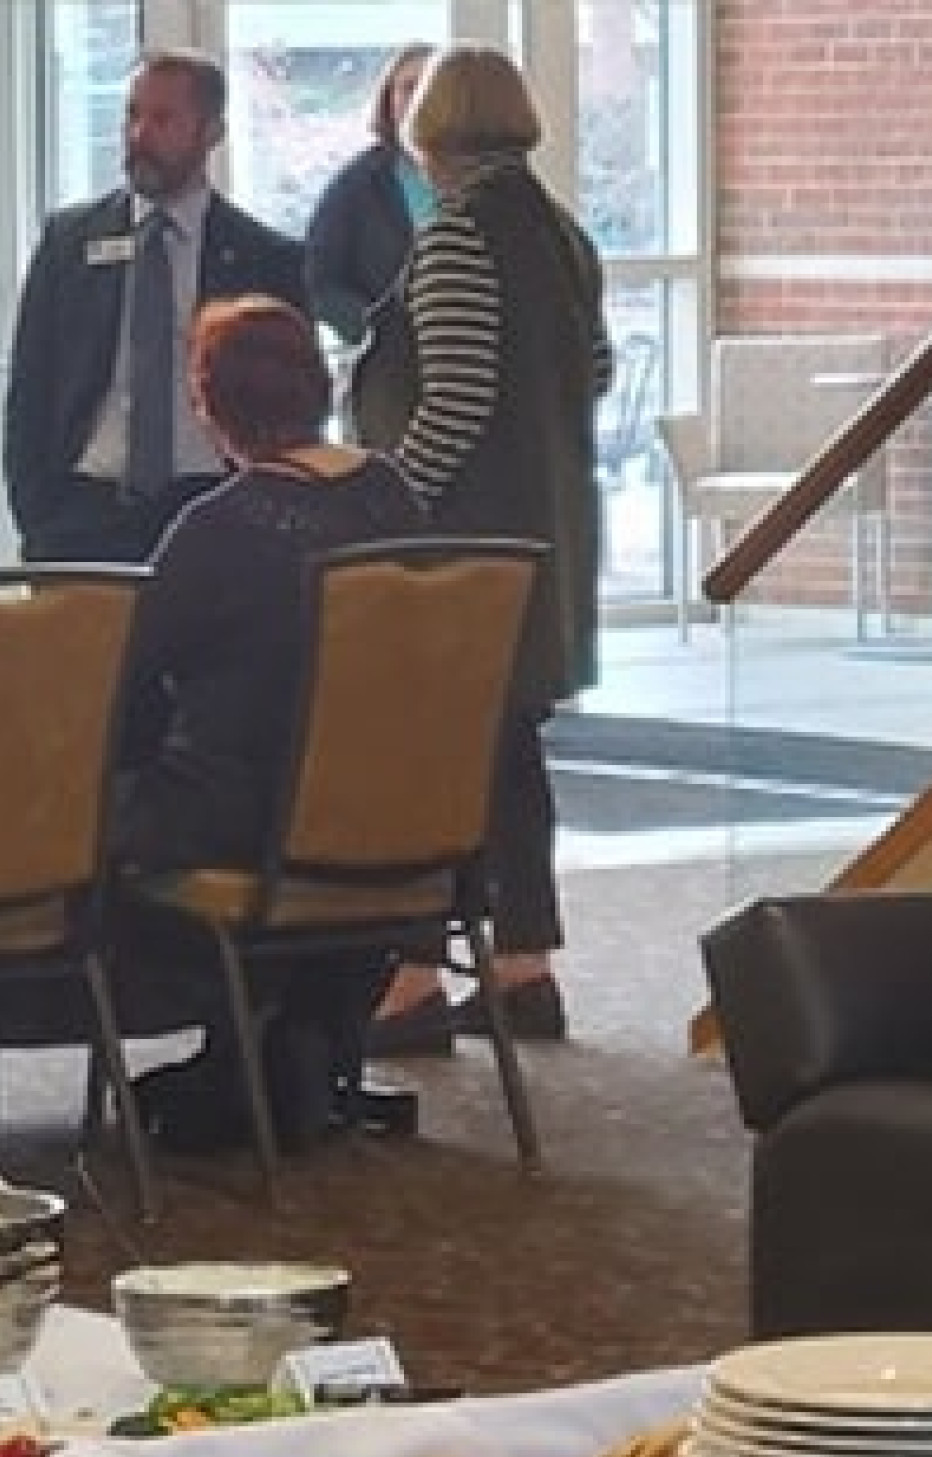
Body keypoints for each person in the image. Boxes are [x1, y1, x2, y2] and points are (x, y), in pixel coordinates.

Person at [346, 44, 610, 1055]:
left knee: (434, 759)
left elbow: (451, 402)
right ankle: (521, 962)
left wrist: (382, 499)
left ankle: (412, 977)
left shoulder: (458, 235)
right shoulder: (564, 235)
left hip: (458, 550)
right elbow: (591, 369)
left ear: (435, 130)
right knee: (506, 753)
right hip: (543, 533)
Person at [116, 296, 426, 1152]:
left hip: (245, 819)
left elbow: (126, 671)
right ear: (318, 386)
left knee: (99, 825)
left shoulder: (219, 529)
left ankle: (236, 1043)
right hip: (393, 817)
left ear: (209, 404)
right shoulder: (391, 496)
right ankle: (300, 1031)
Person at [1, 49, 311, 566]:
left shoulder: (266, 258)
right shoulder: (69, 241)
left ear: (212, 131)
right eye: (132, 114)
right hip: (85, 509)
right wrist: (36, 513)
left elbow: (290, 405)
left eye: (163, 119)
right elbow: (31, 384)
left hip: (215, 506)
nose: (140, 135)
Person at [300, 44, 436, 348]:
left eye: (431, 87)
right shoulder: (357, 186)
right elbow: (320, 279)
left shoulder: (484, 182)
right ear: (388, 100)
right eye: (409, 87)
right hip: (384, 365)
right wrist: (373, 332)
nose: (420, 99)